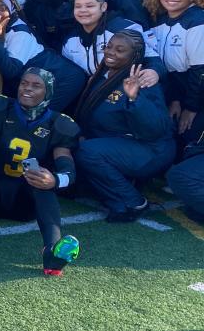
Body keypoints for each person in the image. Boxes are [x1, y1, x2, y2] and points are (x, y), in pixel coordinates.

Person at [0, 68, 81, 275]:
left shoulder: (59, 124)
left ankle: (52, 251)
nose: (27, 88)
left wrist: (54, 180)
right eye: (24, 83)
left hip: (24, 200)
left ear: (49, 91)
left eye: (36, 85)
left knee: (42, 181)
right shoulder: (0, 107)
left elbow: (69, 172)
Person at [74, 31, 174, 222]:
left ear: (134, 56)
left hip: (151, 150)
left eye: (120, 50)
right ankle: (124, 187)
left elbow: (155, 129)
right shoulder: (103, 75)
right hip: (118, 144)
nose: (111, 52)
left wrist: (134, 98)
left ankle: (134, 202)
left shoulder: (143, 81)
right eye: (109, 47)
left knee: (88, 152)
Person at [0, 0, 86, 112]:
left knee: (40, 118)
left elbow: (10, 70)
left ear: (11, 10)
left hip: (65, 79)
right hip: (42, 81)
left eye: (2, 8)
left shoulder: (19, 33)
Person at [144, 0, 204, 138]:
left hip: (196, 94)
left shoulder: (198, 20)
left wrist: (190, 108)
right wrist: (175, 99)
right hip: (173, 91)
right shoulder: (159, 21)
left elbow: (200, 71)